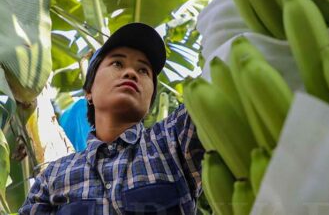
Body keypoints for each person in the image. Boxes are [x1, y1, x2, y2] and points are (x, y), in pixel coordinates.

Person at [19, 23, 205, 215]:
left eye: (143, 70)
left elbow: (219, 79)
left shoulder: (172, 141)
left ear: (150, 101)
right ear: (89, 92)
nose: (131, 73)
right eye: (117, 63)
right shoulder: (54, 176)